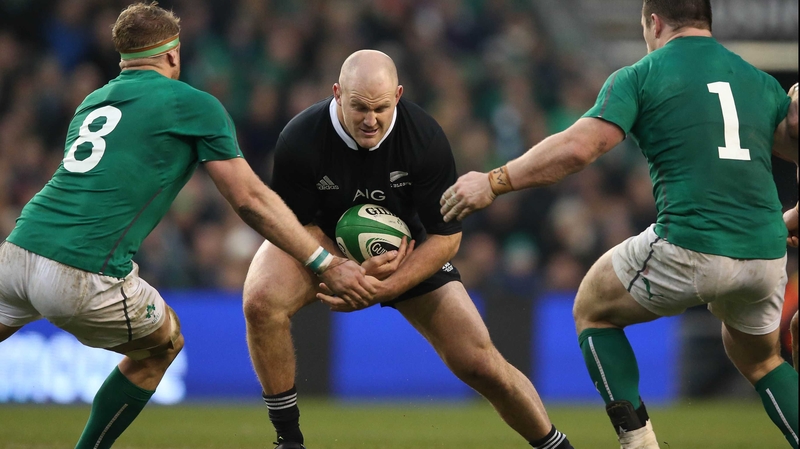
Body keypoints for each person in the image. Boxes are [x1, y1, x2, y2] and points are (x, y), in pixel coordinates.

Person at [0, 3, 373, 449]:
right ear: (173, 55)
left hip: (17, 252)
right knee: (163, 346)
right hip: (83, 271)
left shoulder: (92, 101)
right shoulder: (192, 104)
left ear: (124, 58)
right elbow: (250, 200)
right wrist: (322, 261)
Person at [440, 1, 799, 448]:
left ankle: (639, 444)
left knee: (593, 308)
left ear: (654, 22)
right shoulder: (762, 83)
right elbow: (790, 144)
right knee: (762, 361)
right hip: (765, 254)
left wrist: (494, 181)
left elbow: (579, 149)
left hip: (691, 243)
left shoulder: (642, 74)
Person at [242, 49, 575, 449]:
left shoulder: (424, 136)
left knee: (479, 362)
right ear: (336, 93)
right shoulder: (301, 137)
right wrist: (334, 265)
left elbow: (447, 236)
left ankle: (556, 446)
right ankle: (288, 440)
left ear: (398, 95)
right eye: (359, 107)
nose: (370, 120)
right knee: (260, 301)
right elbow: (295, 226)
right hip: (322, 245)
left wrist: (385, 286)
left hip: (408, 249)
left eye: (381, 108)